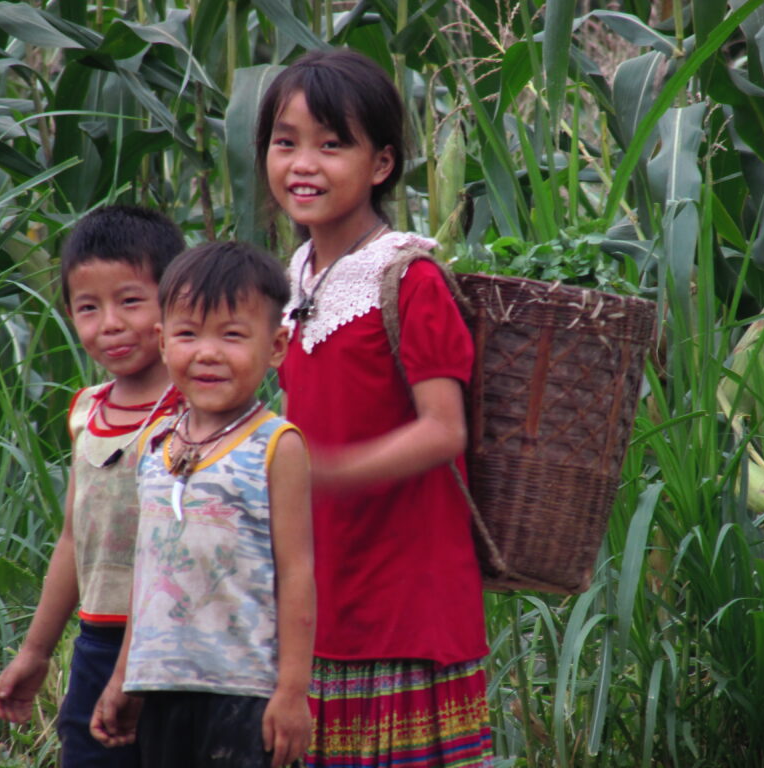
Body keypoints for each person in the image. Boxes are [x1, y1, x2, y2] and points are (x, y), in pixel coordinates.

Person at [255, 48, 492, 766]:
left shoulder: (406, 278)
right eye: (285, 142)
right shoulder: (296, 277)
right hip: (322, 586)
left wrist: (323, 471)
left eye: (333, 145)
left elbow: (444, 429)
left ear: (381, 165)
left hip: (405, 596)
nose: (304, 164)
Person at [89, 240, 315, 768]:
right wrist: (126, 676)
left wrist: (292, 692)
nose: (207, 353)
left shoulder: (277, 445)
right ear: (164, 342)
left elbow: (298, 573)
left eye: (233, 336)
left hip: (244, 692)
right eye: (188, 334)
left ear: (277, 346)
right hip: (162, 689)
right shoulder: (156, 445)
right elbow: (147, 574)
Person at [0, 204, 185, 767]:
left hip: (180, 647)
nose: (110, 324)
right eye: (88, 307)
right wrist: (36, 651)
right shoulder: (88, 412)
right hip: (98, 643)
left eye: (130, 301)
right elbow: (75, 539)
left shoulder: (195, 410)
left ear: (172, 300)